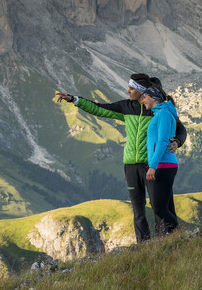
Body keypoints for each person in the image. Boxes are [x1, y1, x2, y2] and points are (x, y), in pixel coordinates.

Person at [55, 73, 185, 243]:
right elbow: (100, 108)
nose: (128, 91)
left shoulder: (157, 109)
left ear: (142, 91)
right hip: (130, 165)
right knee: (138, 211)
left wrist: (177, 141)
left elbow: (180, 129)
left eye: (132, 88)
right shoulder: (126, 107)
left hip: (151, 163)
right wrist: (74, 99)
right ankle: (143, 247)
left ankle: (167, 243)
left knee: (159, 207)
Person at [137, 81, 180, 236]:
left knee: (159, 208)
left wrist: (152, 166)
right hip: (165, 164)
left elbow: (162, 140)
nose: (142, 101)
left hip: (163, 165)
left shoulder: (163, 114)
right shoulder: (162, 113)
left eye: (144, 98)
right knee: (165, 207)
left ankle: (180, 235)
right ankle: (176, 238)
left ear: (153, 98)